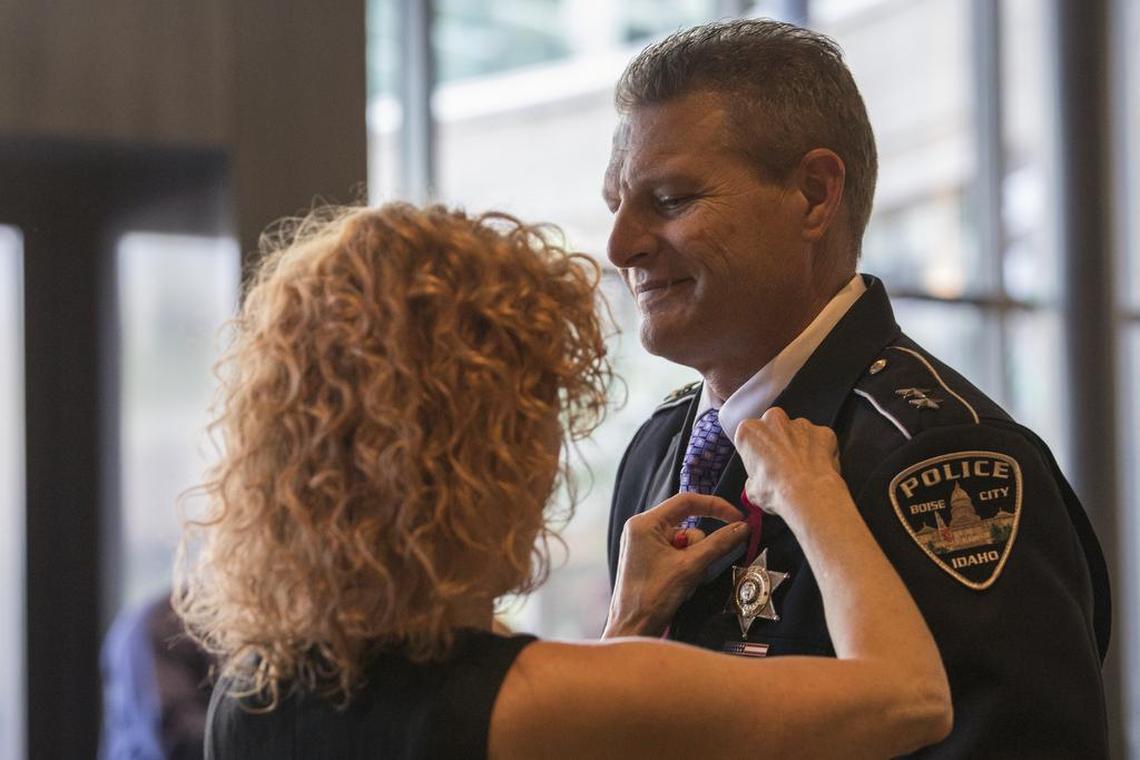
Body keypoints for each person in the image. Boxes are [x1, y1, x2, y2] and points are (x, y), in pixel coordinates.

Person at [174, 202, 951, 759]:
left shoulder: (251, 699)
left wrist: (627, 627)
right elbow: (907, 698)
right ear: (483, 451)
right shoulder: (537, 698)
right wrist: (811, 496)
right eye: (539, 411)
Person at [602, 18, 1110, 759]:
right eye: (617, 200)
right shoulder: (659, 447)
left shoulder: (941, 462)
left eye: (671, 199)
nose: (621, 244)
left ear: (813, 195)